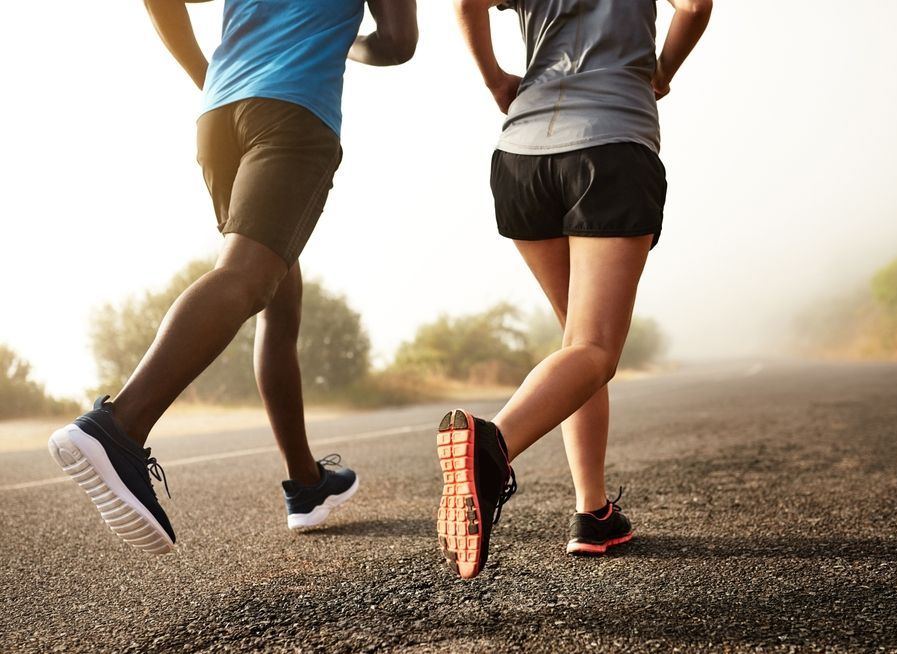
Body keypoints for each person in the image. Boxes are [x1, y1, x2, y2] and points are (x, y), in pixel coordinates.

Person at [46, 0, 418, 554]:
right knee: (246, 277)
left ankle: (308, 484)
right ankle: (119, 427)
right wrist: (347, 41)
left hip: (220, 115)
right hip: (293, 110)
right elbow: (397, 42)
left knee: (278, 297)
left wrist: (208, 75)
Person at [438, 0, 712, 578]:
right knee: (593, 349)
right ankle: (492, 448)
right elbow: (695, 5)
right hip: (610, 144)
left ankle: (592, 512)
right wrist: (663, 69)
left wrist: (496, 80)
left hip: (522, 156)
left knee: (577, 346)